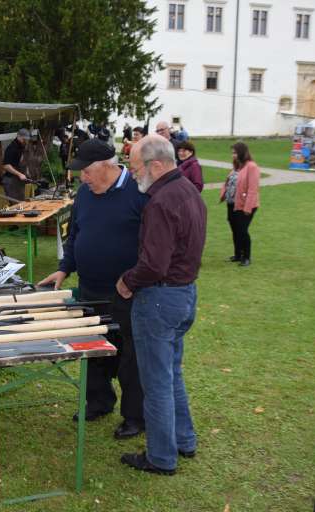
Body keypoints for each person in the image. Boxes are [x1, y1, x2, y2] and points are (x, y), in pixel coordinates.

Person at [38, 139, 148, 440]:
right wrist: (64, 267)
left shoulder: (139, 192)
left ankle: (135, 416)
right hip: (90, 288)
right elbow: (75, 235)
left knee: (130, 358)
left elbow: (153, 243)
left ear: (107, 167)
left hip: (127, 293)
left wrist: (134, 280)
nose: (81, 178)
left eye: (86, 172)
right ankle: (98, 401)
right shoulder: (85, 194)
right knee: (93, 351)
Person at [116, 135, 206, 476]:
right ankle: (184, 440)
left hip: (160, 298)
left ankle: (161, 456)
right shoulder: (188, 192)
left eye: (136, 168)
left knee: (156, 382)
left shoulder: (161, 201)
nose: (134, 174)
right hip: (183, 294)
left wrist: (127, 281)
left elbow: (153, 263)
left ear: (156, 164)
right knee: (172, 375)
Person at [219, 142, 260, 267]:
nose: (233, 155)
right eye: (232, 153)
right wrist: (224, 194)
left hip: (245, 205)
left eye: (235, 153)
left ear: (242, 152)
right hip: (232, 204)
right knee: (235, 230)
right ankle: (237, 255)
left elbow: (253, 189)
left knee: (242, 231)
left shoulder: (251, 166)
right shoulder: (237, 166)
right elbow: (229, 182)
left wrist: (247, 207)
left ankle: (246, 257)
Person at [2, 128, 30, 201]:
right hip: (10, 181)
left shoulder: (21, 147)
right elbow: (6, 166)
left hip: (18, 180)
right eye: (24, 139)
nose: (26, 141)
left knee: (21, 202)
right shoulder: (11, 148)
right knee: (15, 205)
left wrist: (25, 172)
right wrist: (19, 174)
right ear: (19, 137)